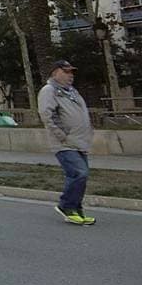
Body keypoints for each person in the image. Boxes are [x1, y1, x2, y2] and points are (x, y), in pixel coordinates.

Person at [37, 60, 96, 225]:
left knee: (81, 176)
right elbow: (47, 115)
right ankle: (66, 206)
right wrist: (61, 135)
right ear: (55, 72)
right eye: (66, 72)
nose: (70, 75)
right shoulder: (49, 91)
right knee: (79, 173)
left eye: (72, 72)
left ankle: (77, 211)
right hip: (64, 143)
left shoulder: (72, 92)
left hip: (79, 142)